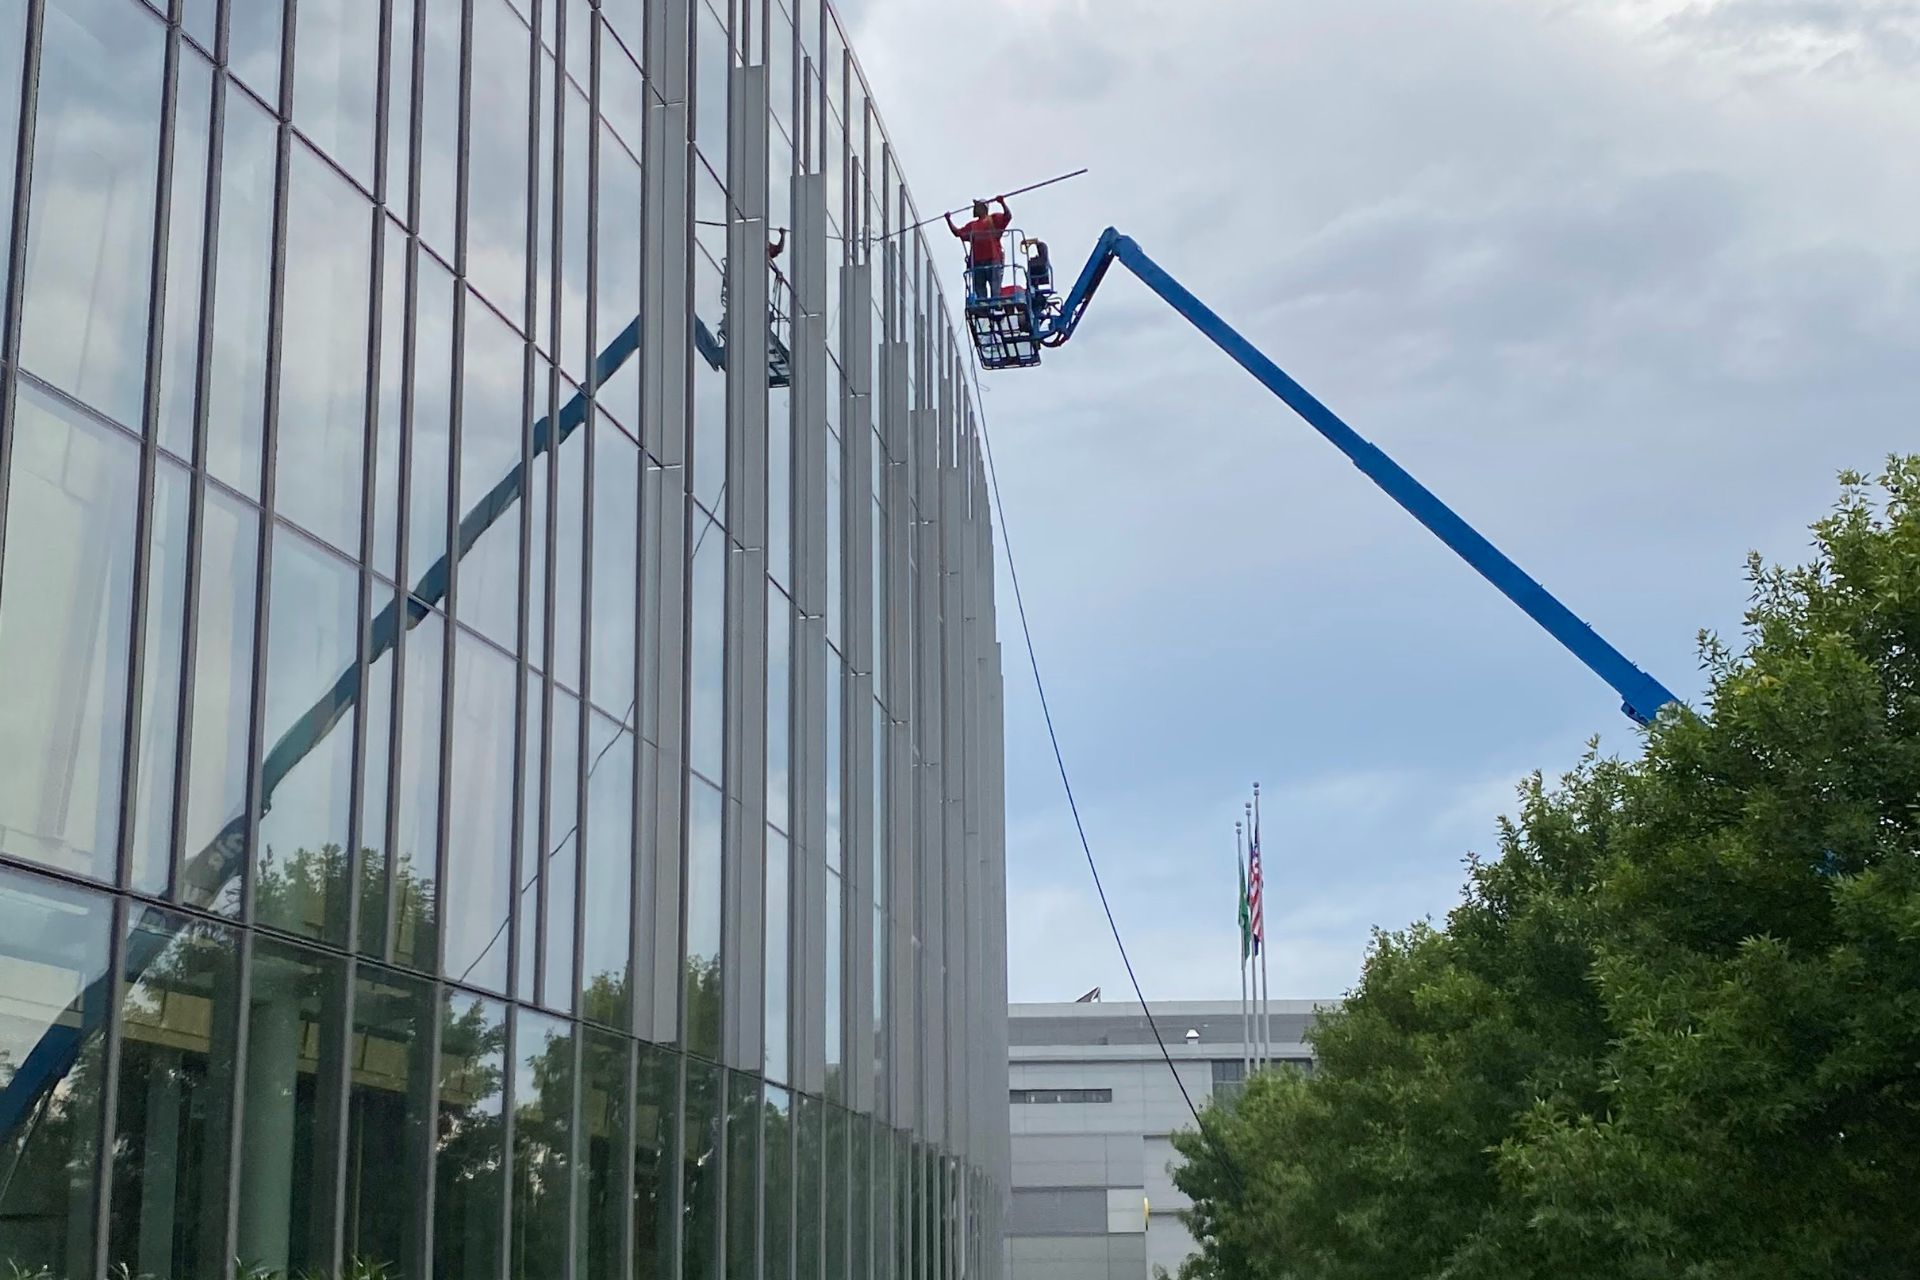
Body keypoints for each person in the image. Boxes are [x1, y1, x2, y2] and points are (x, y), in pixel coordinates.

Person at [947, 196, 1011, 302]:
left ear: (983, 208)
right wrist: (948, 220)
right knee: (980, 288)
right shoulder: (972, 225)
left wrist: (1002, 203)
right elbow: (957, 233)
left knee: (995, 286)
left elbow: (1007, 216)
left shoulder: (993, 219)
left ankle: (996, 301)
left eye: (976, 207)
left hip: (993, 259)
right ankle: (983, 303)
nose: (974, 209)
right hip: (977, 261)